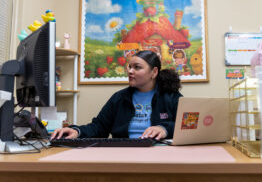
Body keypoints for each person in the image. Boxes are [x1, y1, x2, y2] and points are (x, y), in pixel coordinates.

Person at [51, 50, 182, 141]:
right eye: (129, 67)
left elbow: (185, 126)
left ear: (154, 72)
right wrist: (77, 131)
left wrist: (164, 128)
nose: (130, 71)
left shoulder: (171, 97)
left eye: (137, 67)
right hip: (124, 153)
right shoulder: (119, 98)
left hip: (160, 152)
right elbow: (99, 127)